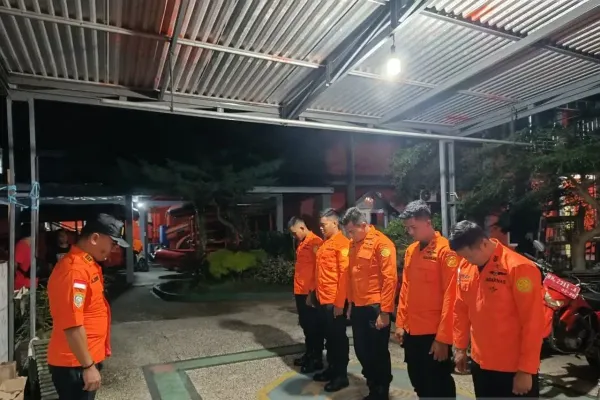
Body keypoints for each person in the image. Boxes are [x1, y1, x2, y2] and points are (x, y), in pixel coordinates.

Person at [450, 220, 544, 398]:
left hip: (512, 368)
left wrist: (526, 370)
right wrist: (460, 347)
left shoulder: (518, 267)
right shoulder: (466, 267)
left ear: (483, 243)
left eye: (469, 256)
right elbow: (460, 309)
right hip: (481, 364)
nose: (466, 261)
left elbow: (533, 322)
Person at [47, 214, 130, 400]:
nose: (114, 248)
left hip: (83, 360)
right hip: (74, 364)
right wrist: (88, 366)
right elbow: (72, 324)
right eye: (113, 243)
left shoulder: (87, 264)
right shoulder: (74, 271)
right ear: (94, 238)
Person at [394, 200, 457, 398]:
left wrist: (443, 339)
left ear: (428, 222)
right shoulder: (411, 251)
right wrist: (400, 323)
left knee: (438, 385)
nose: (410, 232)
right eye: (407, 228)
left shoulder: (446, 251)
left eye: (413, 227)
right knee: (418, 381)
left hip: (433, 334)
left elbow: (452, 296)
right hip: (412, 331)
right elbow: (405, 289)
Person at [342, 207, 397, 400]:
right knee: (361, 349)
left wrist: (385, 311)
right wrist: (350, 303)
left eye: (352, 231)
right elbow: (352, 276)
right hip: (358, 306)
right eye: (347, 232)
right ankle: (372, 383)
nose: (349, 235)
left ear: (363, 225)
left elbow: (390, 279)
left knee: (378, 351)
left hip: (376, 307)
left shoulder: (382, 244)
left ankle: (381, 390)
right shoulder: (353, 245)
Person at [313, 208, 350, 392]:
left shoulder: (342, 244)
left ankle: (341, 376)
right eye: (320, 225)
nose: (321, 228)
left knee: (338, 340)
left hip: (334, 301)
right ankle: (332, 369)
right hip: (323, 299)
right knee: (329, 338)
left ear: (335, 223)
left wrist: (339, 303)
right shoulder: (325, 244)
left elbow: (344, 275)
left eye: (324, 225)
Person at [288, 216, 324, 372]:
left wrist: (313, 292)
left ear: (302, 228)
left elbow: (319, 270)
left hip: (310, 293)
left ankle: (316, 359)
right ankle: (309, 354)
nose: (294, 236)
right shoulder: (302, 243)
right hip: (300, 291)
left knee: (313, 327)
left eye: (295, 233)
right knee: (306, 326)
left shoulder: (315, 243)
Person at [14, 223, 38, 290]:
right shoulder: (22, 245)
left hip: (29, 284)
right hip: (23, 286)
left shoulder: (28, 246)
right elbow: (14, 264)